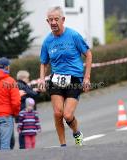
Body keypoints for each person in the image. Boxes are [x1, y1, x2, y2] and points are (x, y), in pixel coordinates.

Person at [39, 6, 92, 147]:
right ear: (47, 22)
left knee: (67, 115)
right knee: (58, 113)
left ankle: (76, 133)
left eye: (56, 19)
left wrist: (86, 78)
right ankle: (63, 145)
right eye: (50, 20)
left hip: (74, 79)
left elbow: (88, 54)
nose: (53, 22)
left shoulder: (73, 36)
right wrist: (41, 79)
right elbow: (43, 63)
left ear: (63, 20)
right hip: (56, 79)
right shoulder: (47, 42)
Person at [16, 70, 39, 149]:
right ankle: (24, 147)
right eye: (27, 78)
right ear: (23, 78)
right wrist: (37, 91)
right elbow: (32, 94)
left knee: (22, 129)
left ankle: (23, 147)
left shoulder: (18, 84)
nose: (28, 79)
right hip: (24, 112)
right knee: (25, 130)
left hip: (20, 111)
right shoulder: (22, 85)